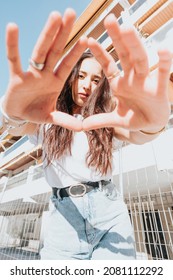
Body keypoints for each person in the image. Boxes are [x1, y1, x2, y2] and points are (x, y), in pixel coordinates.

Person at [0, 8, 172, 259]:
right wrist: (11, 113)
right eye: (80, 76)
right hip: (64, 219)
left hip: (110, 213)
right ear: (70, 79)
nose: (86, 85)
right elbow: (17, 124)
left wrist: (155, 123)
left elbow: (137, 133)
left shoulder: (104, 119)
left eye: (94, 79)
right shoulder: (46, 118)